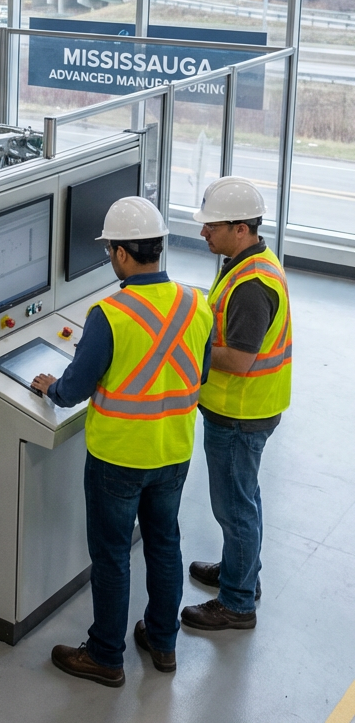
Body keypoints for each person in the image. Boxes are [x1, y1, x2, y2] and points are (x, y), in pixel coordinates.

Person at [32, 197, 212, 687]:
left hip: (118, 457)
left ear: (122, 255)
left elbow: (73, 389)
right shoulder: (198, 304)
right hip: (173, 451)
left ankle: (106, 656)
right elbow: (203, 372)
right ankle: (163, 641)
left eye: (111, 249)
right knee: (164, 544)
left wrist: (51, 385)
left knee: (112, 556)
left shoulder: (109, 314)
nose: (111, 257)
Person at [180, 177, 292, 632]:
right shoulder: (249, 261)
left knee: (234, 507)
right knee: (245, 498)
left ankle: (237, 603)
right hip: (248, 409)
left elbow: (240, 360)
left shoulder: (251, 285)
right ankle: (241, 573)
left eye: (212, 226)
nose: (203, 233)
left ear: (241, 228)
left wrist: (189, 351)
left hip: (240, 412)